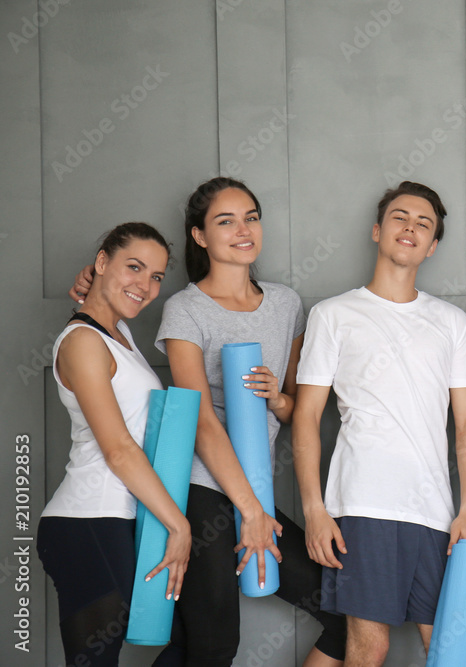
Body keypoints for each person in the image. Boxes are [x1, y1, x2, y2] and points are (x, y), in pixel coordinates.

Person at [69, 178, 346, 666]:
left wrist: (276, 399)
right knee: (214, 645)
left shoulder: (286, 304)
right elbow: (198, 419)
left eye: (251, 217)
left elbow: (297, 404)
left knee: (344, 613)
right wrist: (252, 513)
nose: (243, 230)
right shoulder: (185, 309)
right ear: (199, 236)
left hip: (254, 489)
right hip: (202, 490)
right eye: (226, 221)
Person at [292, 181, 466, 666]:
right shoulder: (334, 314)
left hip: (436, 513)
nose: (411, 228)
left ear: (433, 244)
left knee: (450, 651)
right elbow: (307, 415)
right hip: (364, 504)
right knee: (368, 648)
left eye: (424, 224)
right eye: (401, 217)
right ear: (379, 230)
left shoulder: (451, 322)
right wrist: (315, 509)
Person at [39, 222, 191, 667]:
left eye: (156, 276)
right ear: (102, 262)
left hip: (126, 517)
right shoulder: (83, 342)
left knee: (196, 637)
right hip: (88, 522)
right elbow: (119, 449)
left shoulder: (118, 336)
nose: (145, 286)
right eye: (134, 268)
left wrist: (102, 283)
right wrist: (178, 526)